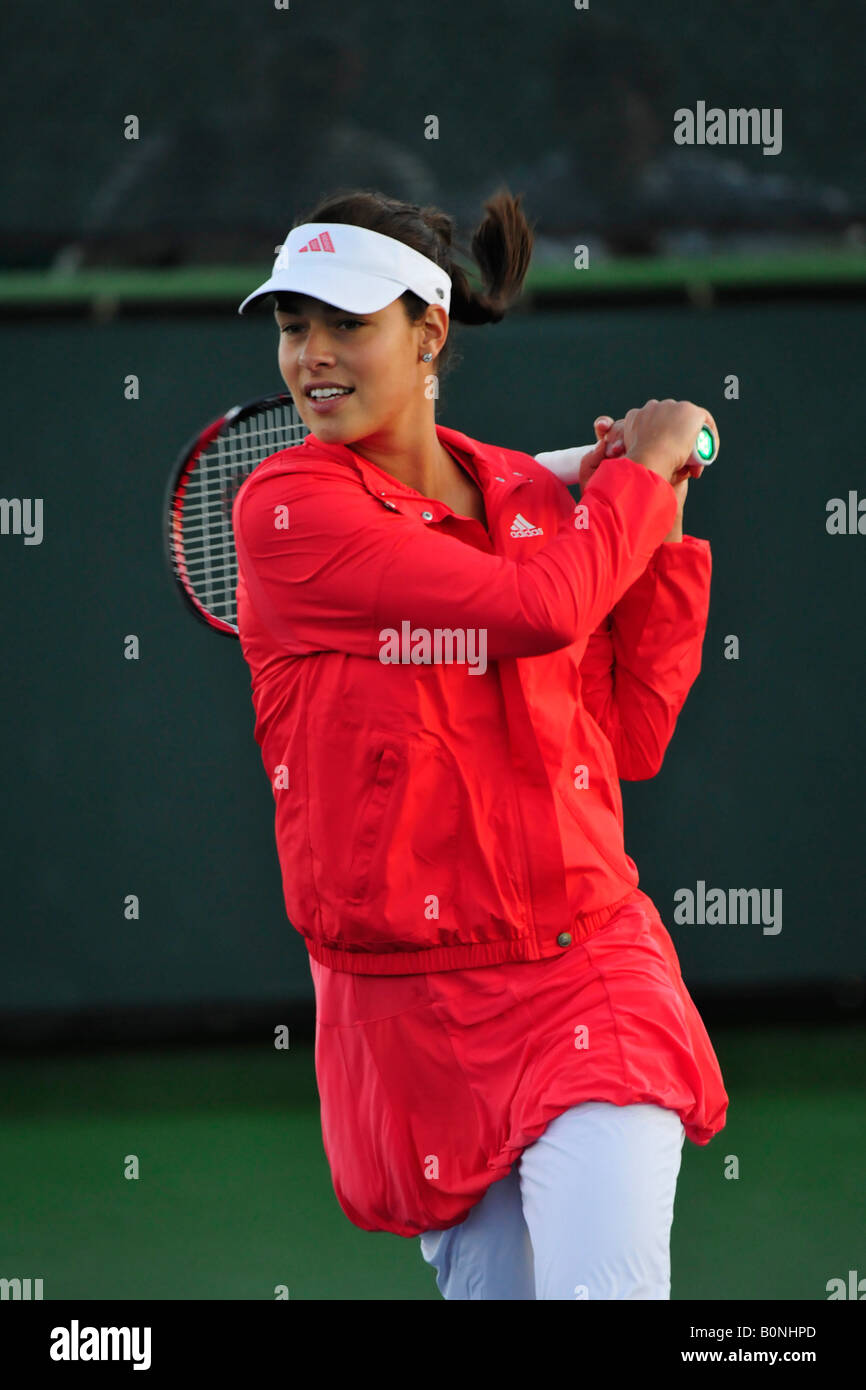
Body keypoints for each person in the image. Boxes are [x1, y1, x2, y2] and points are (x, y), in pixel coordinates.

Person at [231, 187, 728, 1300]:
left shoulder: (535, 509)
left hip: (589, 969)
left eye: (344, 324)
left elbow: (628, 735)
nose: (310, 354)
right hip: (406, 1020)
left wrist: (656, 517)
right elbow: (533, 611)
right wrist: (635, 478)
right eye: (289, 324)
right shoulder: (284, 513)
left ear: (429, 331)